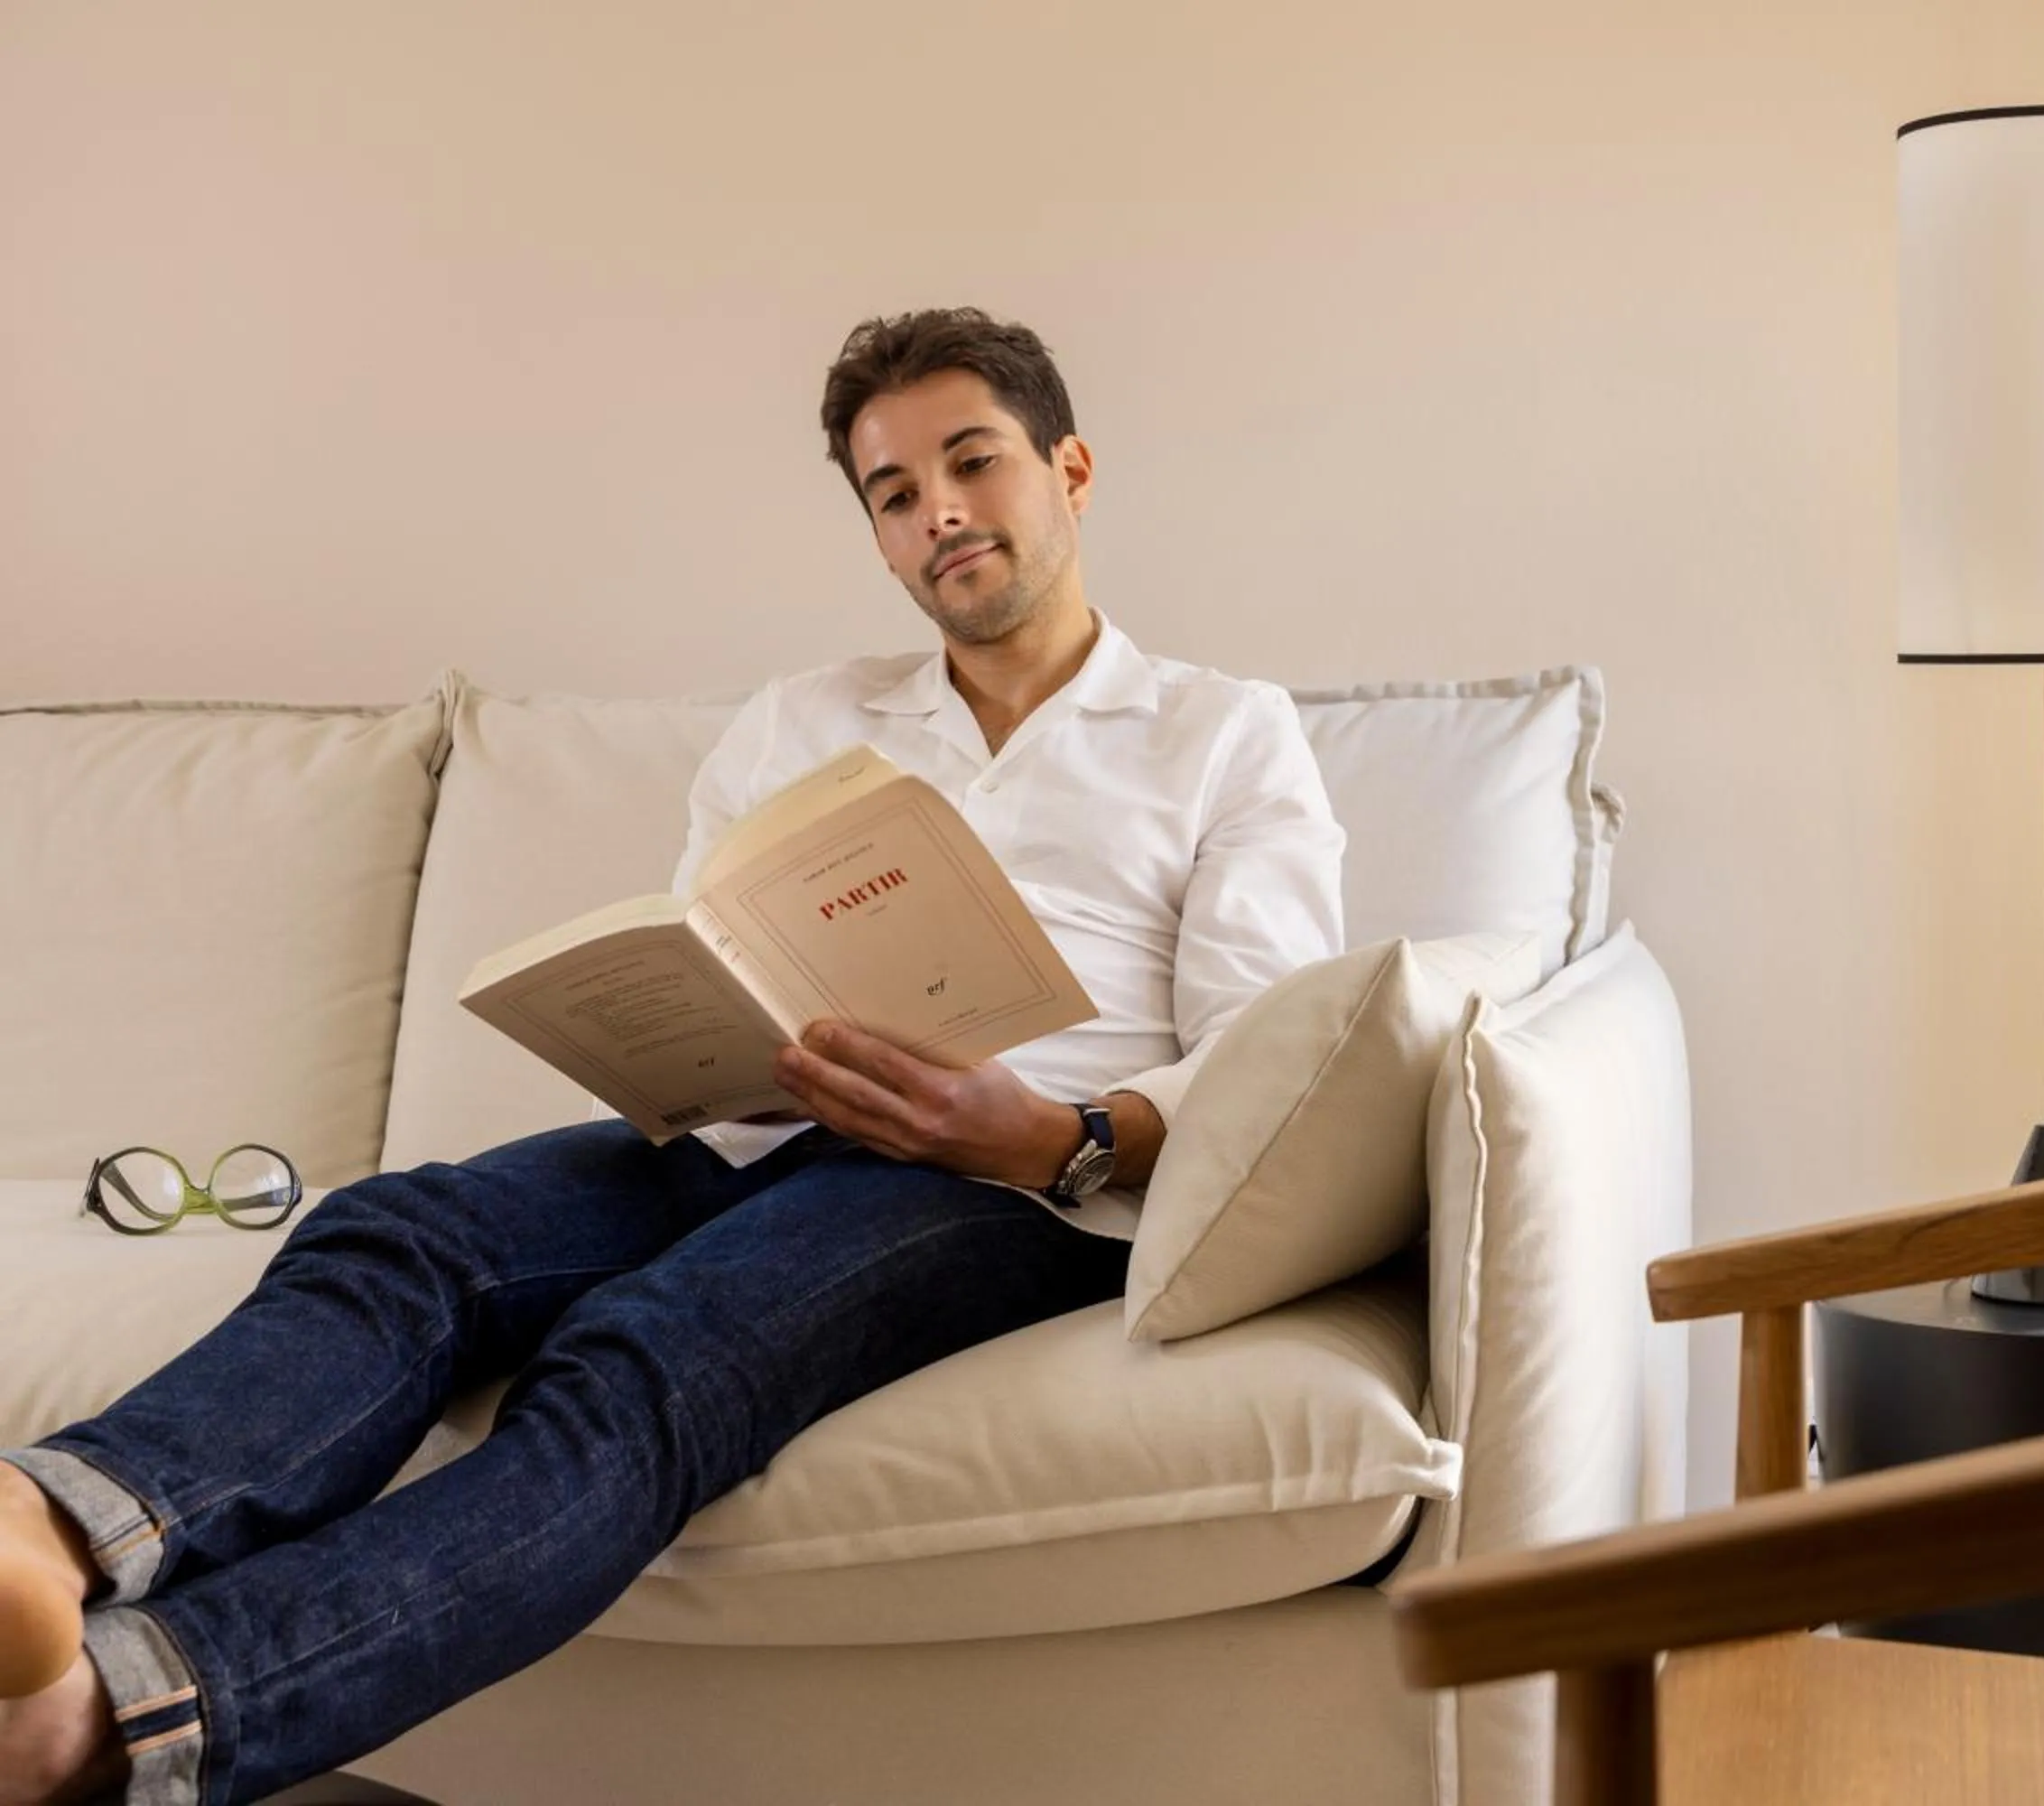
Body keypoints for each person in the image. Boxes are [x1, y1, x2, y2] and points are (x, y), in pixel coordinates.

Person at [0, 307, 1345, 1806]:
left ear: (1069, 470)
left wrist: (1051, 1135)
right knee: (403, 1231)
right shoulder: (806, 719)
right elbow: (718, 953)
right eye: (895, 493)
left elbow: (1270, 1057)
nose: (940, 512)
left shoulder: (1223, 733)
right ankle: (45, 1528)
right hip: (760, 1130)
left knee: (652, 1352)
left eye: (973, 464)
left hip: (1016, 1178)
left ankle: (118, 1717)